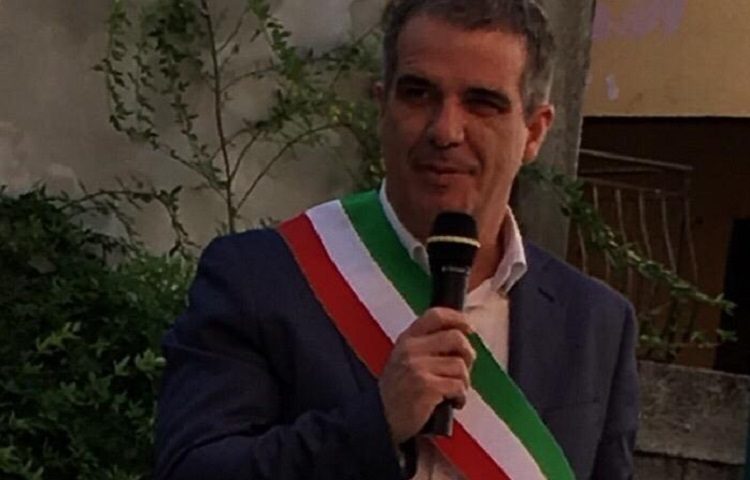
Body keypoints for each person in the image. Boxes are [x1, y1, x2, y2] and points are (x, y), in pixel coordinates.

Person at [155, 0, 639, 479]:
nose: (445, 131)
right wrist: (377, 422)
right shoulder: (262, 278)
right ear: (381, 107)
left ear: (534, 133)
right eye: (418, 94)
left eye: (481, 103)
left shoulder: (595, 323)